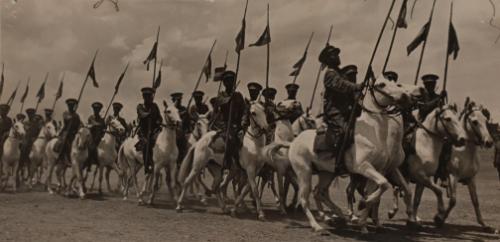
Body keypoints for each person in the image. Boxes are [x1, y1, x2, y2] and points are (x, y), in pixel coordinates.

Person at [316, 45, 363, 174]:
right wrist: (356, 86)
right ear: (327, 60)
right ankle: (338, 162)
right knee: (345, 131)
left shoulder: (339, 73)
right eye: (333, 55)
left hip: (345, 110)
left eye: (337, 54)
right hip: (334, 111)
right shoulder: (330, 74)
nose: (337, 57)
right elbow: (341, 85)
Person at [213, 70, 246, 168]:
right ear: (224, 83)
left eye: (231, 80)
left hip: (238, 125)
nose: (229, 83)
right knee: (230, 140)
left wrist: (243, 121)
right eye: (227, 81)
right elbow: (222, 102)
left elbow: (244, 110)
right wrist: (230, 99)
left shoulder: (238, 95)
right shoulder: (221, 95)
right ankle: (228, 163)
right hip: (226, 124)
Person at [137, 87, 163, 174]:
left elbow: (160, 117)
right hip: (144, 132)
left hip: (154, 131)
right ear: (144, 97)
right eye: (147, 96)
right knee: (146, 145)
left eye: (150, 96)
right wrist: (149, 114)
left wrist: (158, 121)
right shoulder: (140, 106)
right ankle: (147, 165)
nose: (149, 98)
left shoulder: (154, 106)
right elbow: (142, 115)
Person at [56, 99, 82, 163]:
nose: (70, 107)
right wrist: (71, 117)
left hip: (73, 132)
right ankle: (61, 156)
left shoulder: (76, 115)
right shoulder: (65, 113)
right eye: (69, 105)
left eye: (72, 105)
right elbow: (66, 119)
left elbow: (79, 123)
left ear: (74, 106)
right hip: (66, 131)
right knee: (65, 141)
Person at [171, 92, 190, 164]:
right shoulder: (171, 110)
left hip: (182, 132)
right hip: (173, 132)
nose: (178, 102)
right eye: (177, 100)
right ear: (173, 100)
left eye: (179, 100)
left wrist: (187, 130)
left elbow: (188, 121)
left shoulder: (184, 109)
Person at [88, 102, 106, 166]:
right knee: (91, 148)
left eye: (98, 110)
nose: (96, 111)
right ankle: (89, 161)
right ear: (93, 110)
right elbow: (90, 125)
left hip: (99, 137)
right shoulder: (91, 118)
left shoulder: (101, 120)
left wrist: (103, 129)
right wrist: (96, 125)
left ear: (99, 110)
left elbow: (104, 128)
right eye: (95, 109)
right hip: (92, 137)